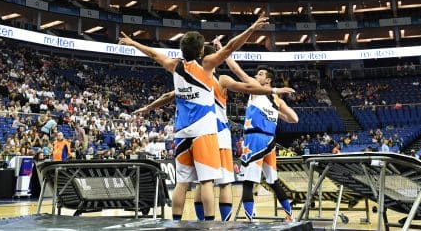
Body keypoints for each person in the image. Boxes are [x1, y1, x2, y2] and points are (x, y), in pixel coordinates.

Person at [119, 15, 268, 221]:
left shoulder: (174, 66)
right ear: (200, 52)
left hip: (181, 130)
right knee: (206, 182)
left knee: (182, 183)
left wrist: (133, 42)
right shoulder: (206, 66)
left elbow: (154, 54)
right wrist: (251, 28)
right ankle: (208, 224)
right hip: (203, 130)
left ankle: (176, 223)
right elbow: (230, 47)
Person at [135, 42, 295, 222]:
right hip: (220, 133)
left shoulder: (193, 76)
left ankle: (201, 223)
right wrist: (274, 92)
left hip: (199, 132)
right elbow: (244, 83)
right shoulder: (223, 80)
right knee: (225, 183)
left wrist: (148, 107)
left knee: (201, 183)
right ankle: (224, 223)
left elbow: (169, 95)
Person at [238, 66, 299, 222]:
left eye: (260, 74)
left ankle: (251, 219)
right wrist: (276, 111)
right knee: (273, 181)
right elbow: (294, 118)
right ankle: (290, 215)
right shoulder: (277, 99)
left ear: (268, 80)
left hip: (254, 139)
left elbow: (240, 73)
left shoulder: (256, 90)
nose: (256, 76)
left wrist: (225, 54)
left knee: (248, 182)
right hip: (270, 141)